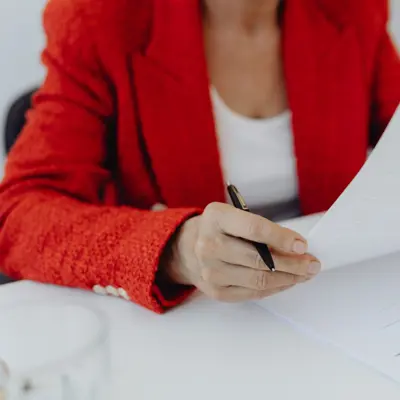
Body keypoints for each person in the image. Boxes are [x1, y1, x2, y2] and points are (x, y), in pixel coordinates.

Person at [0, 0, 399, 313]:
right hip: (187, 322)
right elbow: (19, 213)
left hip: (327, 305)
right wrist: (173, 249)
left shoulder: (352, 7)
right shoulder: (100, 18)